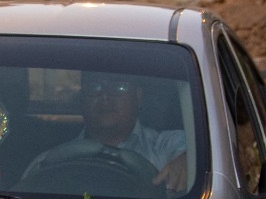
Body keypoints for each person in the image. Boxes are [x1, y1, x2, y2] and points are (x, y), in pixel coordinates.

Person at [26, 75, 189, 190]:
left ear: (138, 97)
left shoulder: (169, 147)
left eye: (118, 87)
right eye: (95, 87)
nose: (105, 96)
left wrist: (188, 161)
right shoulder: (49, 164)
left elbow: (208, 158)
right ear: (82, 99)